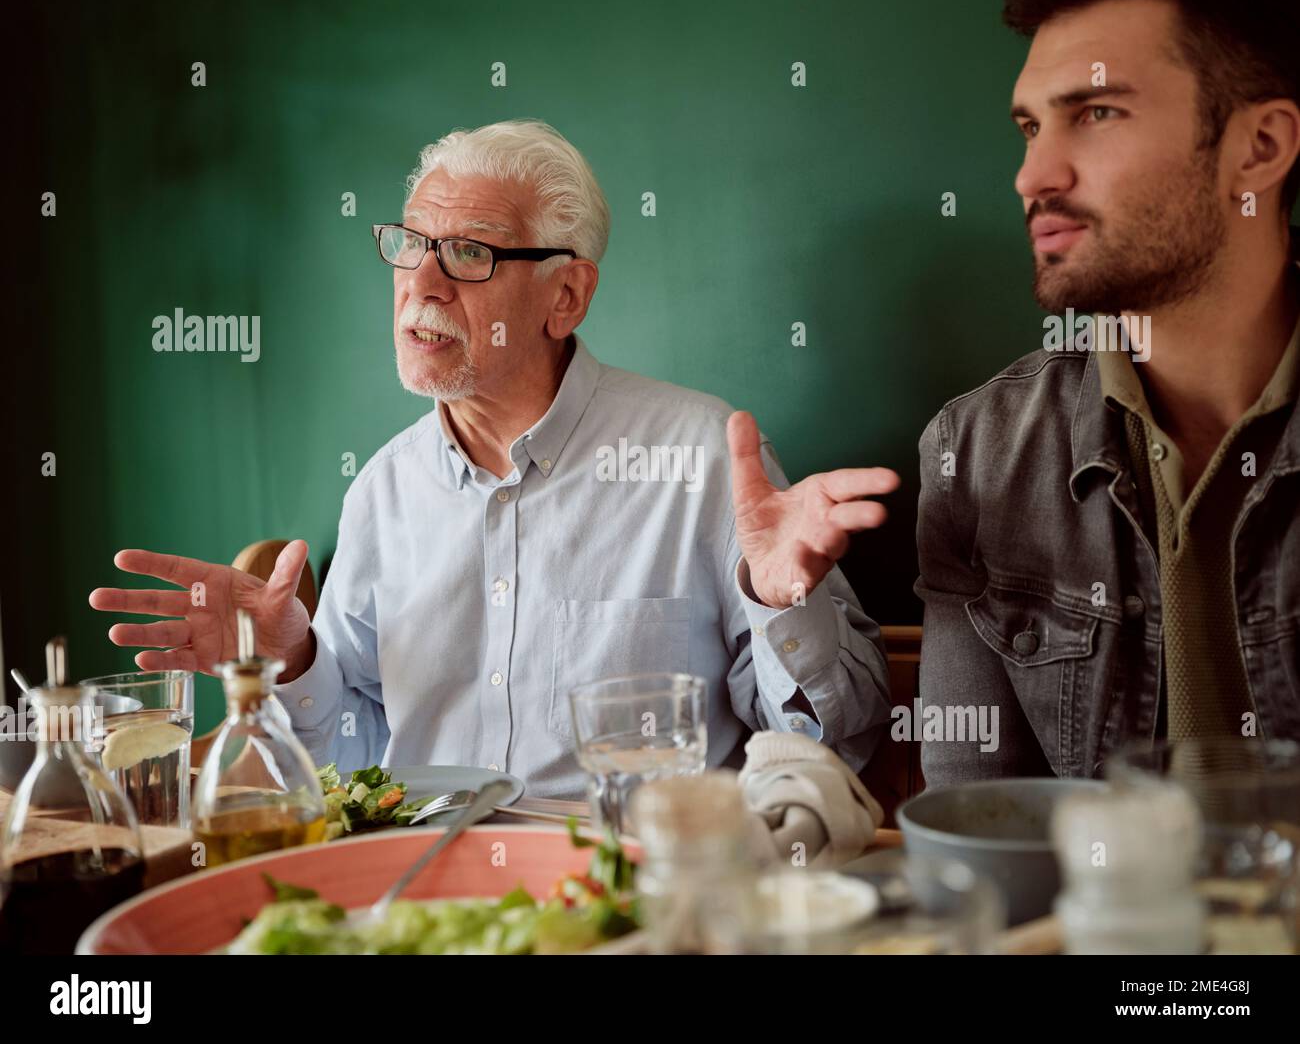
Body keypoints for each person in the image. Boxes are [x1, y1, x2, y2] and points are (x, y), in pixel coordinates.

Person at [90, 120, 900, 797]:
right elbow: (349, 759)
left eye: (471, 253)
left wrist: (780, 598)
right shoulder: (382, 490)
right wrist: (294, 662)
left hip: (638, 897)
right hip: (427, 900)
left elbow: (837, 745)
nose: (422, 283)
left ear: (566, 296)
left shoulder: (702, 456)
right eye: (411, 244)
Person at [916, 0, 1300, 786]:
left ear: (1258, 148)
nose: (1033, 175)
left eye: (1096, 112)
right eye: (1029, 126)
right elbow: (981, 830)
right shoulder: (977, 453)